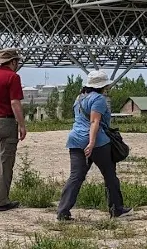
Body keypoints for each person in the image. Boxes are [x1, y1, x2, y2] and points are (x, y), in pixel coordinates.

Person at [56, 70, 131, 220]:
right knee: (109, 175)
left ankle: (63, 211)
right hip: (98, 143)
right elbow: (94, 122)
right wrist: (91, 143)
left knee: (76, 176)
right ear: (103, 86)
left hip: (75, 140)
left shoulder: (79, 98)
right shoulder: (99, 99)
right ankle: (116, 209)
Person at [0, 48, 26, 211]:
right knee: (5, 162)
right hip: (6, 122)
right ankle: (1, 200)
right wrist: (21, 125)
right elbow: (15, 102)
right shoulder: (13, 77)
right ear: (13, 62)